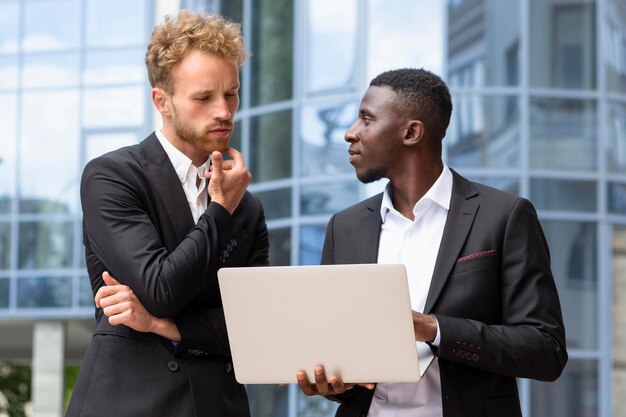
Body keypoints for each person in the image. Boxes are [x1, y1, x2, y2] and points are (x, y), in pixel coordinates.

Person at [296, 68, 567, 417]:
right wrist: (333, 383)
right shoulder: (344, 227)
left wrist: (431, 329)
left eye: (366, 119)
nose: (350, 134)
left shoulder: (504, 216)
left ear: (411, 132)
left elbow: (545, 350)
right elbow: (337, 353)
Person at [65, 10, 269, 417]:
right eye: (204, 97)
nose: (224, 111)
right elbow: (161, 290)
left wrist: (163, 325)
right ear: (162, 101)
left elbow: (255, 329)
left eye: (231, 94)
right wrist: (221, 210)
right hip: (131, 403)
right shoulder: (112, 177)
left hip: (219, 405)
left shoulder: (247, 205)